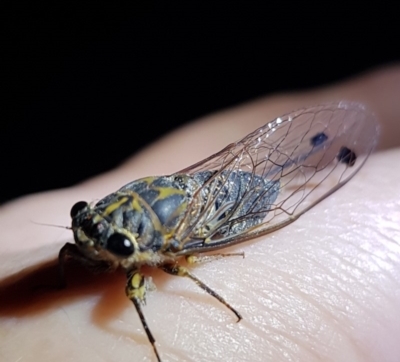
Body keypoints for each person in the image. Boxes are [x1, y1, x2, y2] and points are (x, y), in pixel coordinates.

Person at [1, 65, 399, 362]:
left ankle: (154, 346)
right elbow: (69, 252)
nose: (85, 240)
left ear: (136, 248)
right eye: (82, 220)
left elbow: (182, 266)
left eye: (119, 246)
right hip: (202, 186)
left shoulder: (162, 248)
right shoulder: (88, 241)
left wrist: (208, 302)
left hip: (217, 212)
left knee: (270, 209)